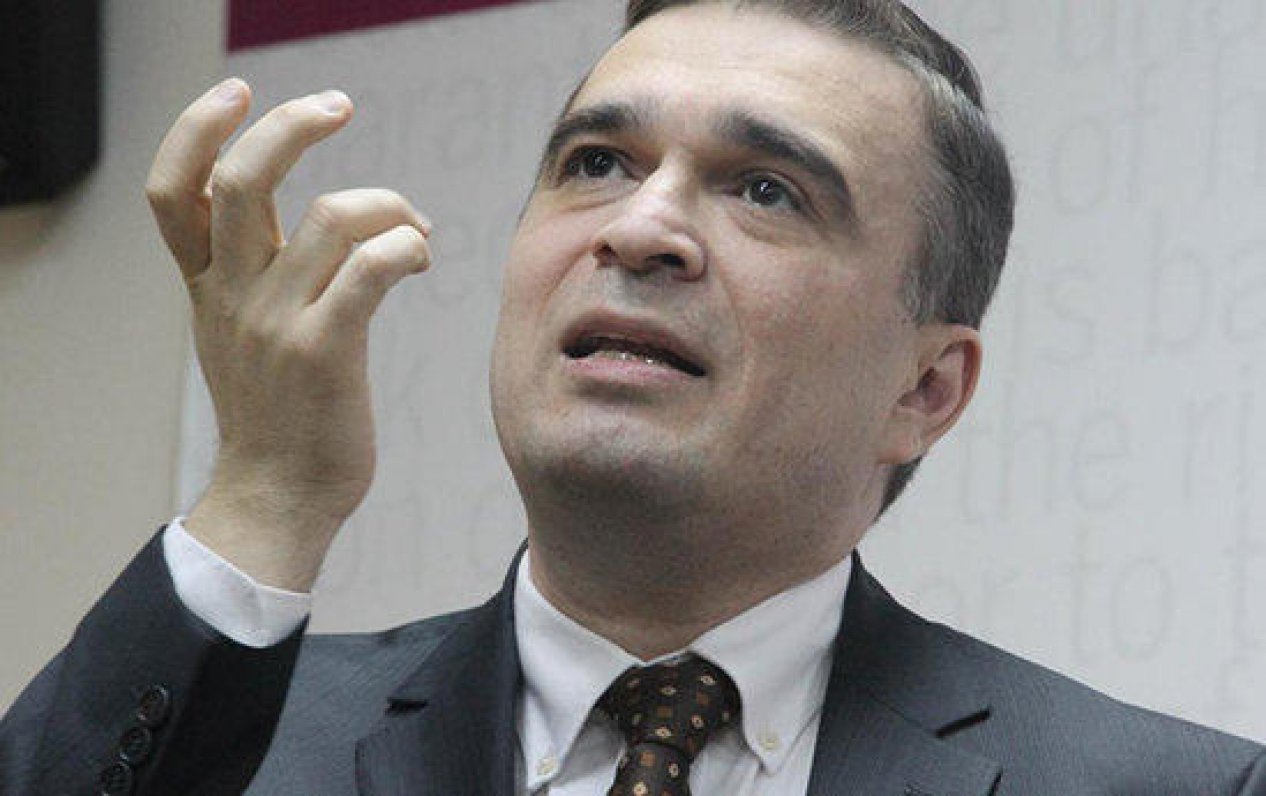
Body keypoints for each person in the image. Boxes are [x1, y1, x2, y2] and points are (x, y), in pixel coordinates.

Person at [3, 0, 1264, 793]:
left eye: (766, 188)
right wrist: (268, 493)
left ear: (924, 387)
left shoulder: (1164, 784)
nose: (641, 227)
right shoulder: (243, 741)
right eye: (598, 161)